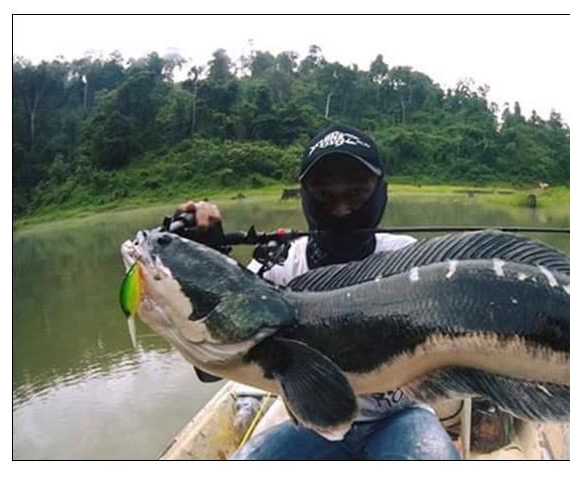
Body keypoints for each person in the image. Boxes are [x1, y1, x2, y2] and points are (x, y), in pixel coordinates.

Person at [175, 124, 460, 460]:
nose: (341, 209)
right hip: (311, 423)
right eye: (324, 195)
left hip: (400, 416)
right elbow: (209, 368)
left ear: (380, 192)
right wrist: (200, 269)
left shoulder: (408, 260)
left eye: (357, 193)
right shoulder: (278, 267)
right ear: (305, 195)